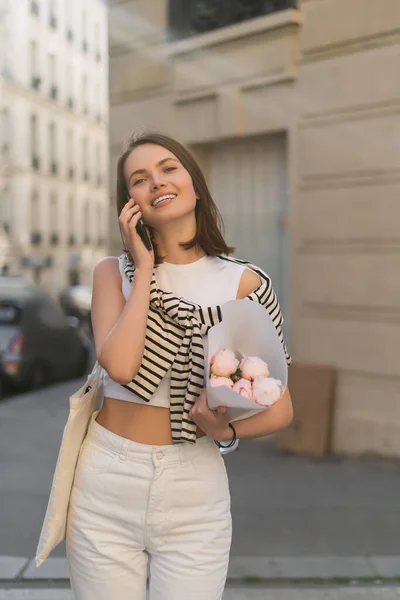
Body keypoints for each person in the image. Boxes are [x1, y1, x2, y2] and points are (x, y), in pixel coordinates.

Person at [66, 132, 293, 600]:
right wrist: (146, 267)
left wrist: (225, 432)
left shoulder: (245, 283)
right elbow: (123, 367)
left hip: (195, 481)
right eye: (139, 178)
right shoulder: (115, 274)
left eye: (169, 168)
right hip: (106, 478)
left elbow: (281, 409)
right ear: (128, 202)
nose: (157, 182)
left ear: (193, 182)